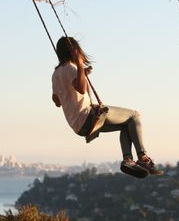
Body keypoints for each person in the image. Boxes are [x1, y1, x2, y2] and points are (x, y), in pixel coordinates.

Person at [51, 36, 160, 178]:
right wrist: (79, 66)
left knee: (126, 125)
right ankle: (143, 157)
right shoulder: (71, 68)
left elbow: (57, 101)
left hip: (78, 127)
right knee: (134, 116)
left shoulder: (55, 74)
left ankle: (128, 160)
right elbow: (81, 89)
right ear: (75, 51)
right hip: (88, 116)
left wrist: (81, 74)